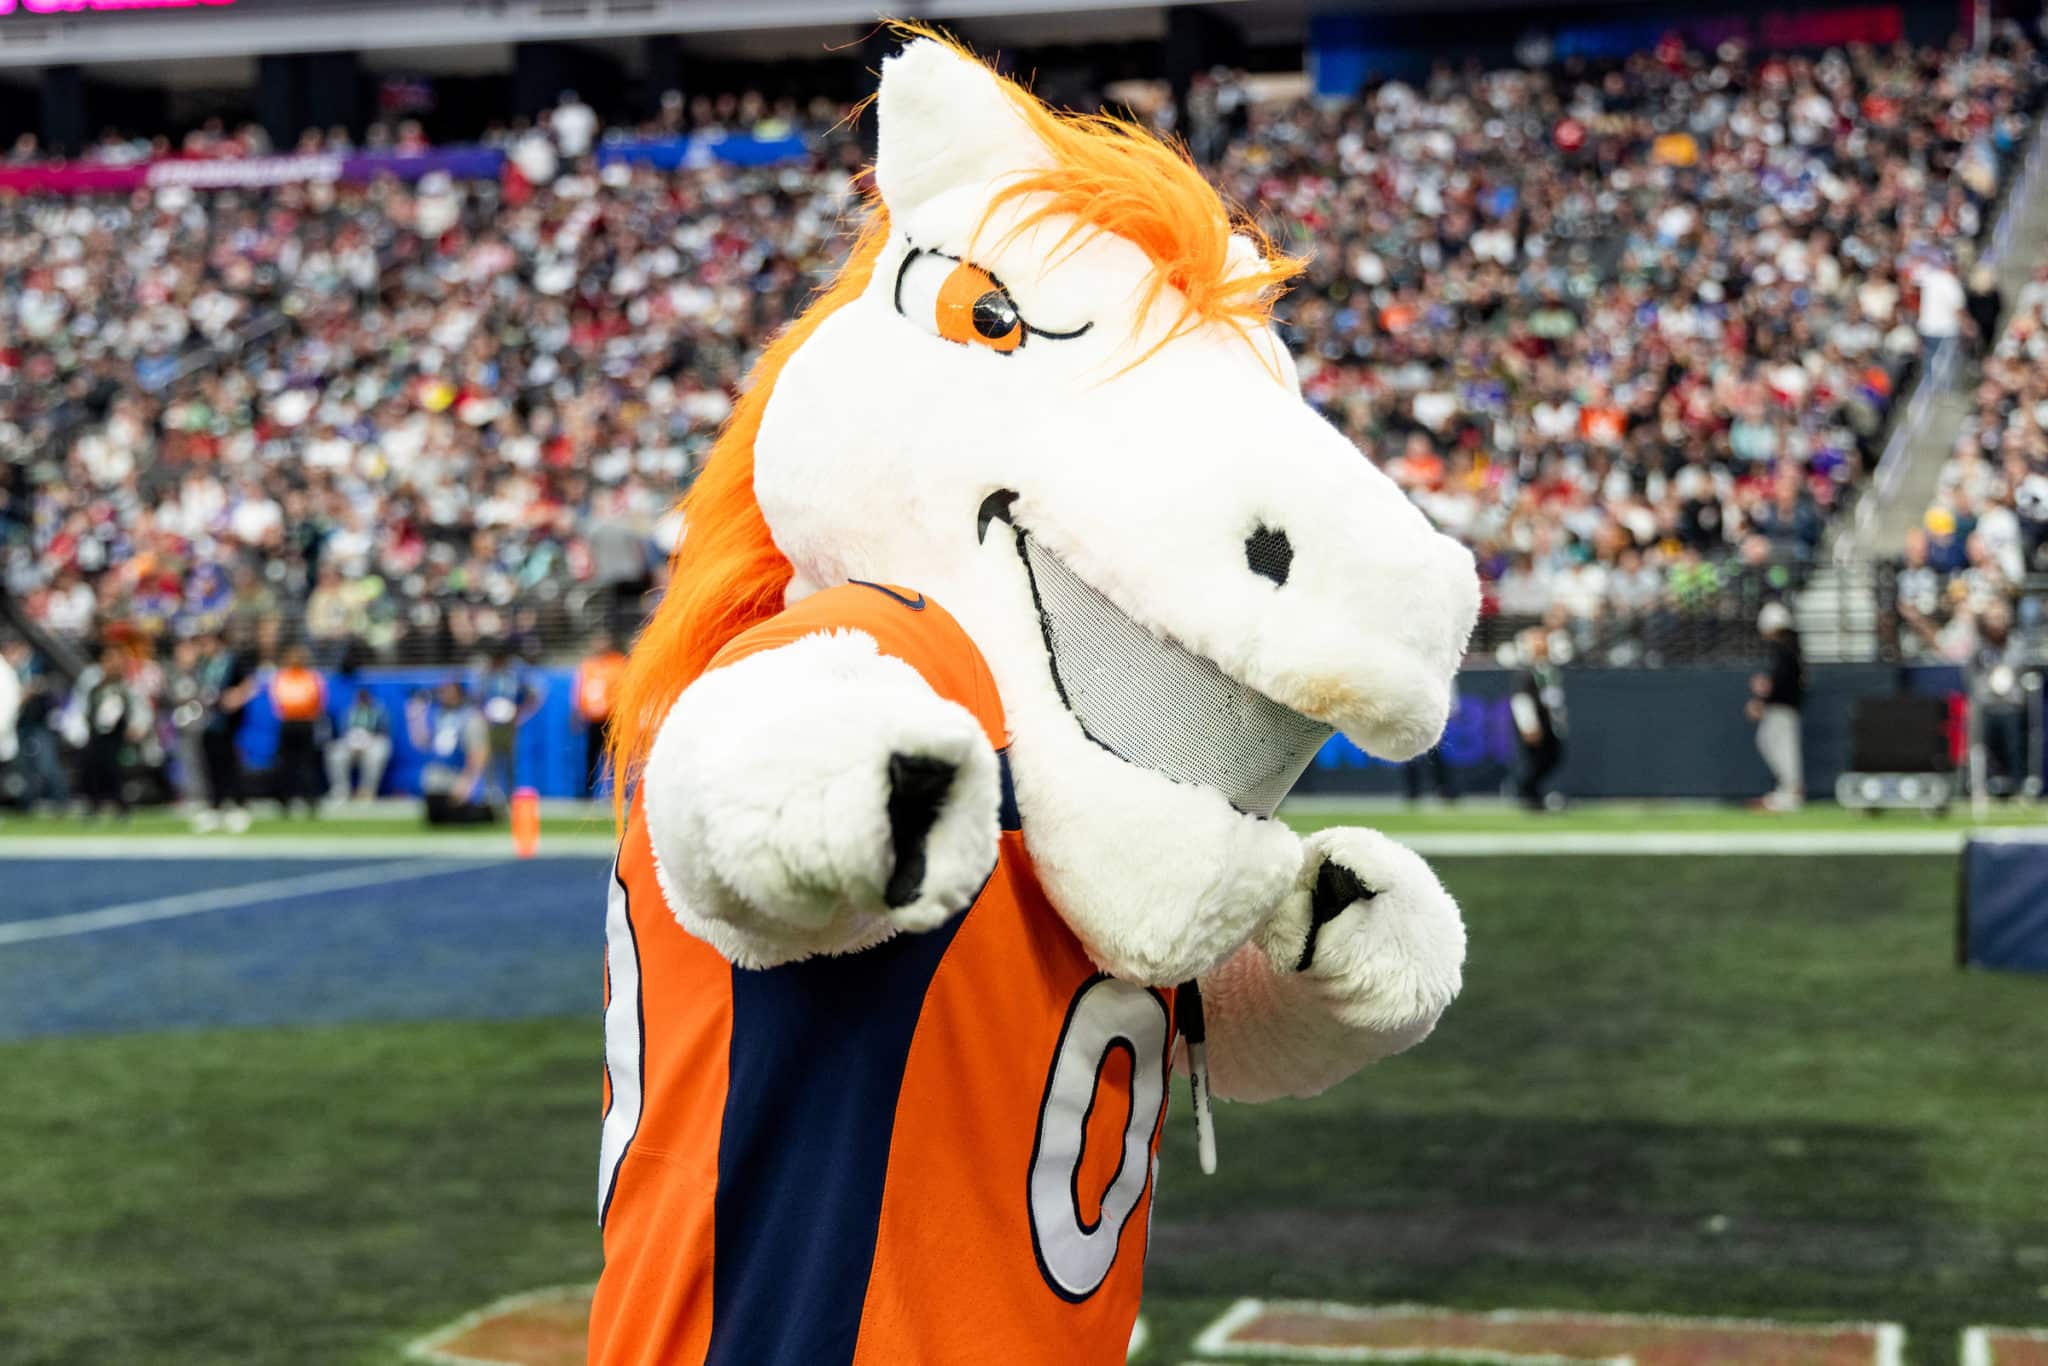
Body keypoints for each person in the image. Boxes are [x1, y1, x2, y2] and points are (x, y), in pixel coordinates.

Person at [72, 642, 149, 819]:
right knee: (91, 767)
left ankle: (120, 805)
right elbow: (81, 703)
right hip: (96, 731)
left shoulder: (127, 681)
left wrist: (138, 725)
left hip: (118, 733)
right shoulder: (92, 679)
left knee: (114, 768)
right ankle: (94, 804)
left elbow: (139, 705)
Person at [408, 679, 493, 824]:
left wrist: (467, 782)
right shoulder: (438, 716)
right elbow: (422, 743)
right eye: (442, 692)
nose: (444, 695)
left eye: (448, 691)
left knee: (462, 816)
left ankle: (489, 809)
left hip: (460, 776)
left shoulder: (470, 718)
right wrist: (415, 718)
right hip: (441, 778)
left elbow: (479, 753)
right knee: (436, 817)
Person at [1747, 602, 1806, 811]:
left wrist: (1762, 699)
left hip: (1782, 707)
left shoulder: (1784, 651)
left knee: (1782, 747)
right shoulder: (1790, 649)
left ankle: (1791, 790)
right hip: (1783, 706)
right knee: (1772, 743)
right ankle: (1788, 788)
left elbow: (1778, 680)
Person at [195, 631, 256, 832]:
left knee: (230, 763)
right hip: (208, 720)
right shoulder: (204, 664)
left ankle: (239, 805)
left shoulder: (232, 661)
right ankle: (215, 805)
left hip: (228, 722)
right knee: (210, 764)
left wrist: (236, 697)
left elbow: (249, 684)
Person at [473, 644, 541, 803]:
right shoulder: (486, 673)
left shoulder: (515, 672)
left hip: (509, 722)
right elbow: (477, 697)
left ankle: (510, 795)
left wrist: (521, 713)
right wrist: (483, 715)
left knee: (510, 760)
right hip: (491, 723)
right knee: (489, 759)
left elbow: (534, 694)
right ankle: (489, 795)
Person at [268, 644, 329, 816]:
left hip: (305, 724)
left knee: (306, 763)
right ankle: (286, 799)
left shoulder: (311, 677)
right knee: (288, 763)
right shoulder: (283, 677)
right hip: (289, 723)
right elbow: (278, 700)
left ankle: (310, 799)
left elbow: (319, 701)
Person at [1510, 629, 1566, 810]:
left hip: (1550, 722)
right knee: (1537, 760)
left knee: (1553, 757)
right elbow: (1521, 700)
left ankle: (1532, 793)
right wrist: (1529, 725)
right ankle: (1527, 793)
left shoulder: (1548, 669)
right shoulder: (1526, 671)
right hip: (1536, 723)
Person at [574, 631, 628, 798]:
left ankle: (620, 793)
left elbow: (623, 691)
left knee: (616, 759)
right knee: (591, 758)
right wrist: (577, 712)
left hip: (612, 719)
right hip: (593, 720)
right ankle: (586, 793)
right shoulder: (588, 665)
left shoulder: (618, 663)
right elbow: (579, 690)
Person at [326, 686, 393, 803]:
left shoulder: (379, 713)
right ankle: (341, 790)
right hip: (351, 743)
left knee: (377, 753)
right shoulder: (349, 712)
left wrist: (369, 737)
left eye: (365, 698)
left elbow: (385, 733)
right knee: (336, 753)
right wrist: (353, 738)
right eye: (360, 698)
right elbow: (342, 732)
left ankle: (367, 791)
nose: (362, 700)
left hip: (372, 743)